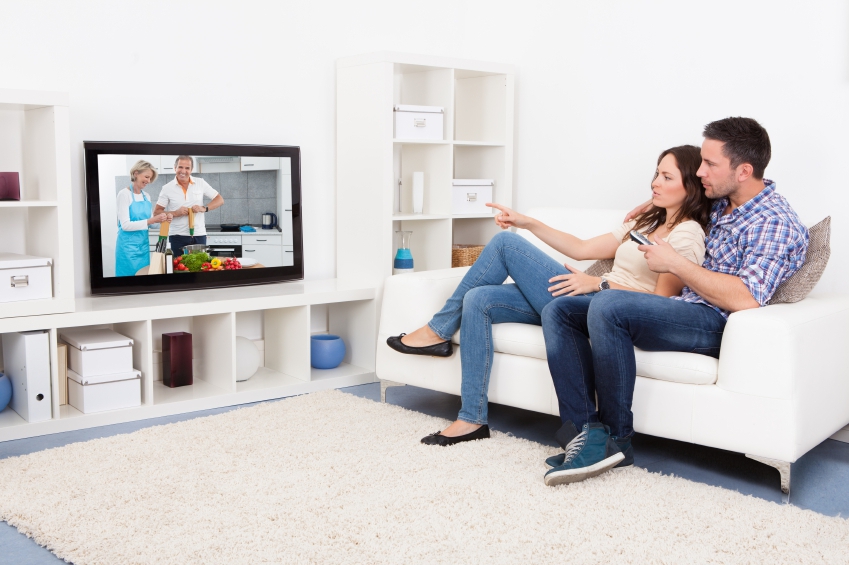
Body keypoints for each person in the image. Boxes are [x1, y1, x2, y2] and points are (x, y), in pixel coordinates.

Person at [541, 117, 809, 487]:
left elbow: (746, 297)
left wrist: (676, 264)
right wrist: (655, 204)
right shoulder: (721, 203)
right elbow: (685, 205)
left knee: (607, 304)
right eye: (701, 163)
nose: (701, 172)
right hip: (679, 310)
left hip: (713, 322)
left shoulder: (775, 222)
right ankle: (584, 434)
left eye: (710, 164)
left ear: (744, 170)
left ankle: (617, 439)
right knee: (560, 310)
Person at [386, 145, 713, 448]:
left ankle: (436, 331)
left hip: (606, 313)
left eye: (667, 177)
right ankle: (471, 419)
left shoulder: (687, 234)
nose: (655, 182)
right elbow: (582, 248)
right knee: (480, 300)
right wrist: (527, 223)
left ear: (691, 187)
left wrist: (596, 285)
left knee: (504, 245)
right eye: (656, 172)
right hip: (585, 297)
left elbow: (659, 302)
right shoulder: (646, 220)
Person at [153, 155, 225, 256]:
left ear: (191, 170)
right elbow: (157, 212)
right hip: (177, 236)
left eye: (187, 168)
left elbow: (219, 199)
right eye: (180, 167)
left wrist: (203, 208)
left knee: (199, 267)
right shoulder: (167, 188)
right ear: (175, 168)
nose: (183, 171)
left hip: (199, 234)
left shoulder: (200, 183)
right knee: (179, 268)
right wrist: (175, 213)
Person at [115, 160, 172, 276]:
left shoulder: (146, 196)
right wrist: (152, 220)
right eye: (146, 177)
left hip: (142, 248)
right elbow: (125, 225)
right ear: (136, 173)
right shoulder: (124, 194)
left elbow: (151, 224)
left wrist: (163, 220)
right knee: (128, 284)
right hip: (127, 249)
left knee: (143, 280)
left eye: (150, 178)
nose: (148, 181)